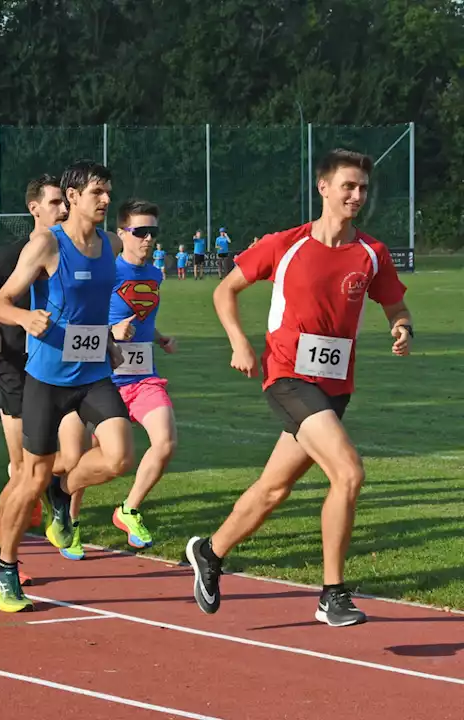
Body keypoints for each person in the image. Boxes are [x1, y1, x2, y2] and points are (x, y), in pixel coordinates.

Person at [187, 149, 412, 628]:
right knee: (348, 473)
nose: (357, 195)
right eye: (348, 186)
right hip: (288, 375)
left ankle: (210, 551)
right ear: (323, 188)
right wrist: (240, 343)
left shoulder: (372, 253)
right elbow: (224, 290)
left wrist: (402, 327)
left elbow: (394, 305)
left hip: (335, 387)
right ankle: (333, 594)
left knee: (273, 489)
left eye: (364, 189)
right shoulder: (284, 244)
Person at [0, 161, 134, 612]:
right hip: (47, 377)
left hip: (92, 372)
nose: (105, 200)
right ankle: (4, 565)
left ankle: (63, 490)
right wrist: (25, 317)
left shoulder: (109, 244)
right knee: (30, 476)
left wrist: (107, 341)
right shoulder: (47, 243)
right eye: (96, 192)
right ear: (72, 197)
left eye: (108, 191)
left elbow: (94, 306)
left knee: (119, 456)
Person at [59, 200, 179, 557]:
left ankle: (128, 509)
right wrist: (112, 330)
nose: (147, 239)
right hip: (105, 378)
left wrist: (160, 338)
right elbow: (79, 322)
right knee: (90, 457)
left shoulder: (155, 275)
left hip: (143, 377)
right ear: (122, 234)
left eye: (152, 233)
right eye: (140, 232)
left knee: (166, 441)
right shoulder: (106, 273)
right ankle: (71, 521)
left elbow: (144, 317)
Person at [0, 176, 69, 535]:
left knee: (83, 450)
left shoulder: (76, 252)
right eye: (55, 203)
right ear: (34, 208)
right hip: (17, 371)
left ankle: (52, 490)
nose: (64, 209)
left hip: (64, 369)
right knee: (23, 472)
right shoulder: (11, 256)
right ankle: (6, 559)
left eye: (66, 202)